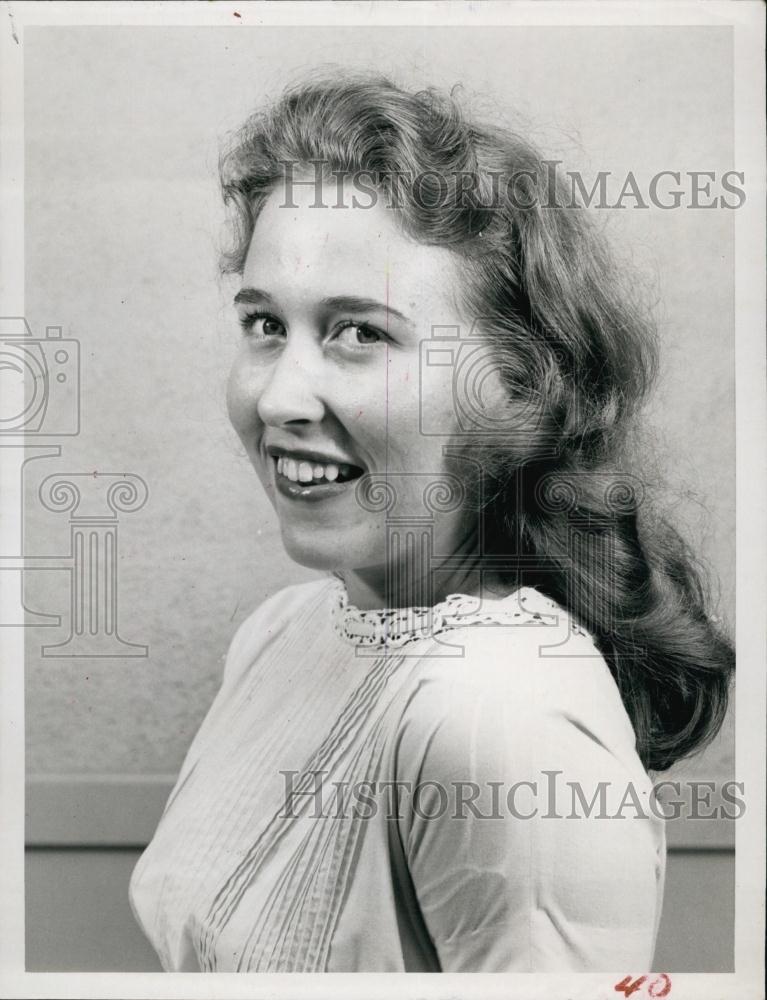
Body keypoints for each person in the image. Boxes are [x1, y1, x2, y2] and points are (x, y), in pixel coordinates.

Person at [128, 73, 734, 973]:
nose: (279, 396)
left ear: (518, 389)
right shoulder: (281, 633)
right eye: (263, 324)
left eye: (360, 334)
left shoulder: (497, 714)